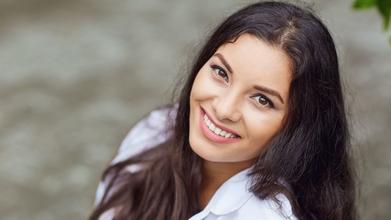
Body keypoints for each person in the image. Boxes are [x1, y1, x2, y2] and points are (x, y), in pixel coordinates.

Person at [89, 1, 357, 220]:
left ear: (298, 125)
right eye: (221, 72)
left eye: (262, 100)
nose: (224, 108)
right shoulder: (156, 130)